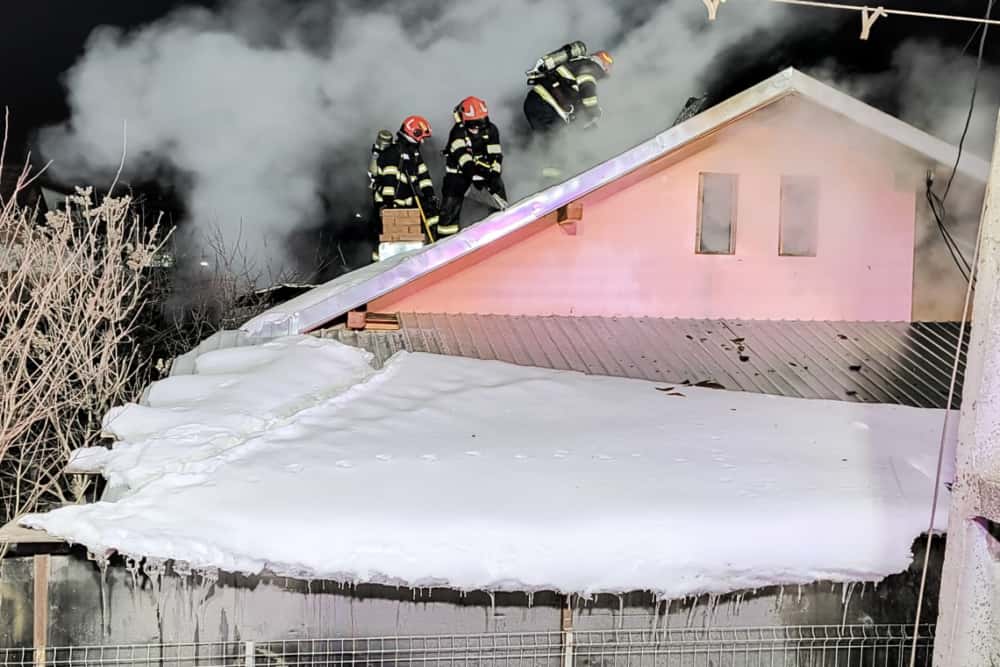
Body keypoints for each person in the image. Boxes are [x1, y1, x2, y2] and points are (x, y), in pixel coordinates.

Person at [438, 96, 508, 237]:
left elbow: (496, 155)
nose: (477, 127)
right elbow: (464, 159)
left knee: (499, 197)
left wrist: (494, 175)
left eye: (481, 122)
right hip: (458, 175)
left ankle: (502, 229)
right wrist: (475, 175)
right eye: (473, 124)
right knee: (450, 208)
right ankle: (444, 240)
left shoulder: (491, 130)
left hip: (484, 171)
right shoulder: (457, 133)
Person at [371, 115, 441, 255]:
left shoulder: (413, 153)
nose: (422, 141)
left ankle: (438, 245)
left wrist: (429, 195)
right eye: (421, 136)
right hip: (389, 202)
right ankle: (377, 267)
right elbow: (389, 181)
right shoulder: (392, 154)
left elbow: (423, 175)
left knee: (431, 215)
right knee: (388, 240)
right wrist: (388, 205)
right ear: (413, 132)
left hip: (406, 200)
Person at [523, 44, 613, 133]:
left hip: (537, 100)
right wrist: (594, 111)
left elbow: (573, 92)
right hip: (545, 105)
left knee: (543, 141)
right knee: (556, 142)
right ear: (604, 65)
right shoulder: (591, 68)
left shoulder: (577, 62)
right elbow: (587, 90)